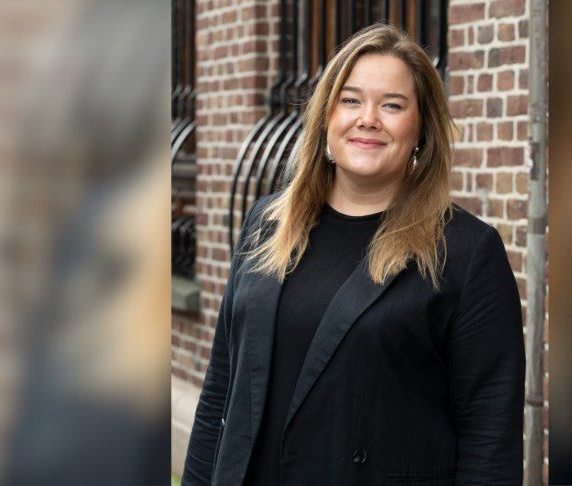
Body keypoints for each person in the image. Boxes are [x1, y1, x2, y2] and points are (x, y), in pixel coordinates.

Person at [182, 24, 525, 486]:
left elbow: (490, 439)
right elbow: (220, 392)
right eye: (350, 100)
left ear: (421, 129)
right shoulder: (267, 224)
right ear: (326, 116)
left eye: (392, 105)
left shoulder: (465, 252)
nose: (368, 118)